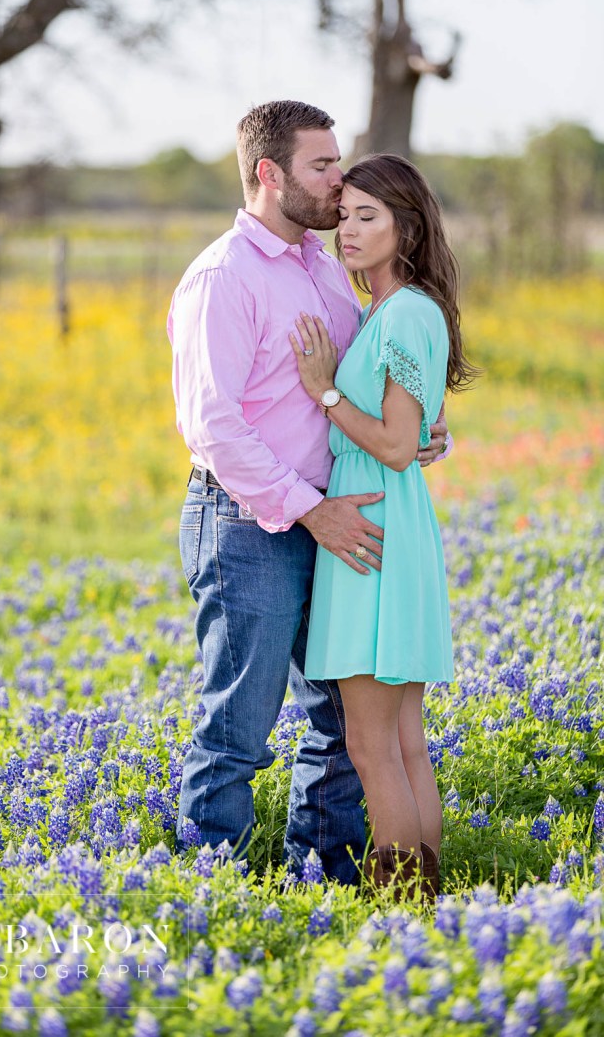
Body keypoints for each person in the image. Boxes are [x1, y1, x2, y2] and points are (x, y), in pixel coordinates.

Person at [167, 101, 450, 885]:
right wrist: (309, 506)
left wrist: (422, 434)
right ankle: (210, 887)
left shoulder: (325, 269)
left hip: (335, 517)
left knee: (339, 718)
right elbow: (213, 425)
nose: (337, 180)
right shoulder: (224, 276)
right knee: (239, 723)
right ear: (270, 173)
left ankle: (323, 874)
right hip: (249, 519)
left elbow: (374, 386)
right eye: (322, 166)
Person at [290, 153, 477, 898]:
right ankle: (425, 900)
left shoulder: (402, 313)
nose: (349, 230)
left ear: (408, 227)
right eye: (344, 216)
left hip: (370, 528)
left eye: (368, 216)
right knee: (403, 743)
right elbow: (416, 433)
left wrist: (324, 391)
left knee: (372, 747)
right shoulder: (394, 310)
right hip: (391, 520)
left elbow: (397, 445)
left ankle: (402, 905)